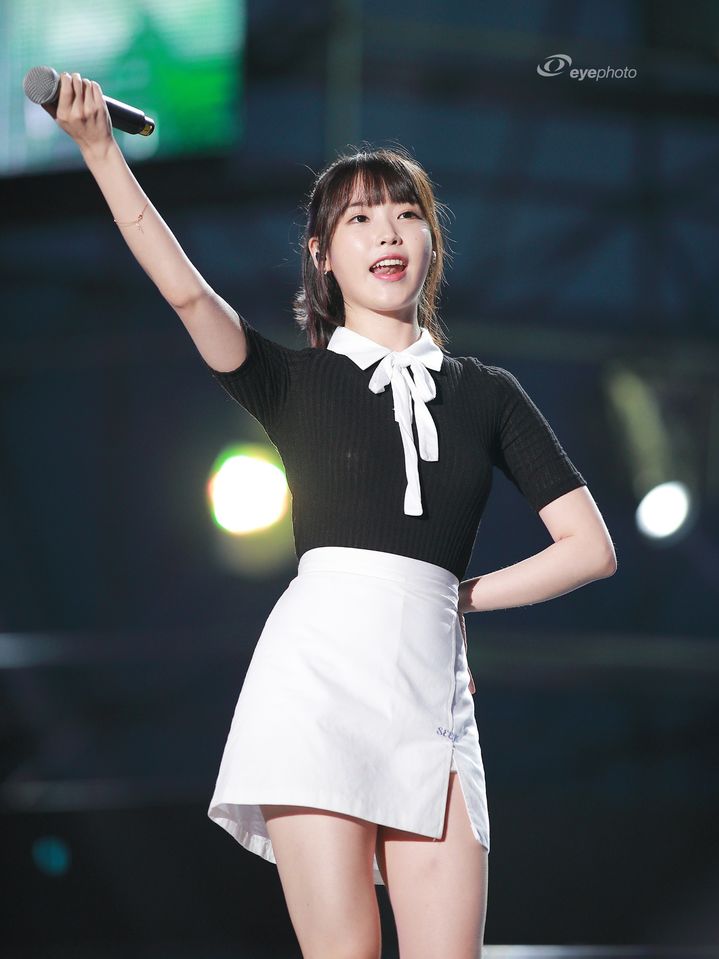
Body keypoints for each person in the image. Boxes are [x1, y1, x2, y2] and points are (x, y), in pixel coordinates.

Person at [45, 72, 617, 959]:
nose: (387, 232)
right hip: (314, 689)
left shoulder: (487, 394)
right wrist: (100, 153)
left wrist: (455, 600)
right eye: (358, 218)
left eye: (406, 213)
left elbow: (588, 548)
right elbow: (188, 294)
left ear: (430, 242)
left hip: (431, 702)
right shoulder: (292, 380)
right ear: (321, 254)